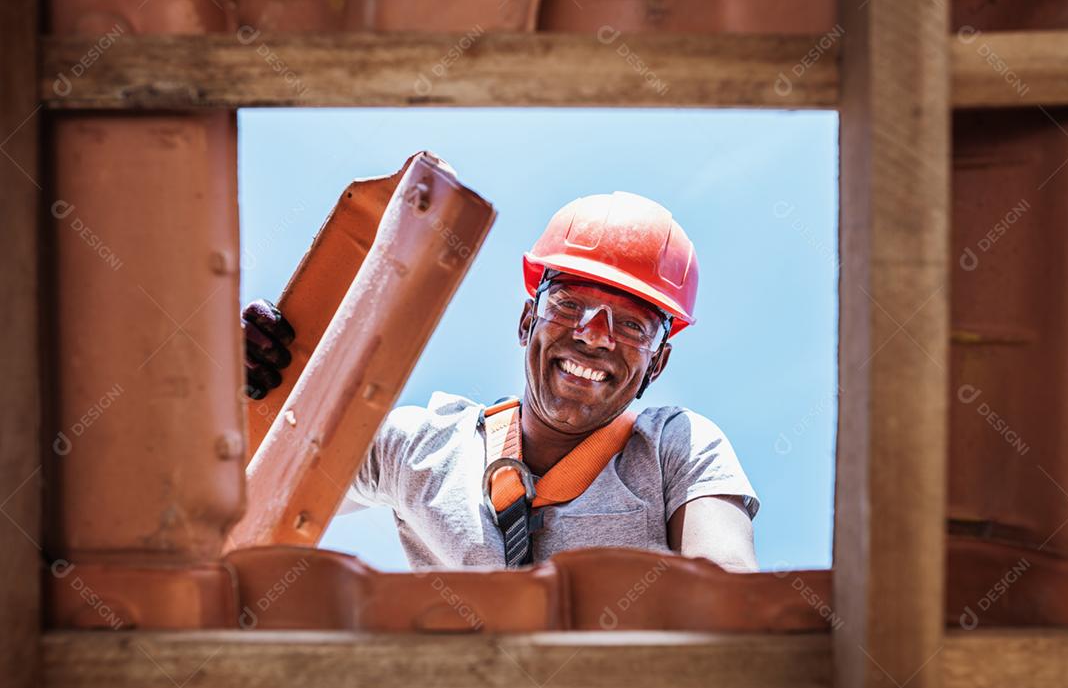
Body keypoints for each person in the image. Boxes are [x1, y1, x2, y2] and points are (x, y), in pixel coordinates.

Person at [244, 192, 759, 571]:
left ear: (657, 364)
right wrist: (240, 386)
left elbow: (727, 587)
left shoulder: (675, 450)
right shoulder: (421, 447)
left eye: (630, 325)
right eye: (568, 305)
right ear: (526, 323)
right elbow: (267, 486)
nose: (594, 335)